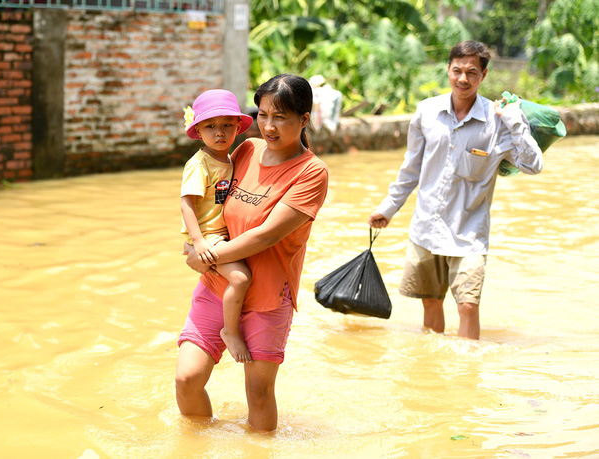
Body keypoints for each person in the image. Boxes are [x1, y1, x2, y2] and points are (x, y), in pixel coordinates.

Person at [175, 74, 329, 431]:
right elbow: (204, 205)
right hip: (219, 285)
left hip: (266, 294)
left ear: (304, 119)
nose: (269, 126)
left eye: (280, 117)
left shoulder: (311, 173)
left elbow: (265, 235)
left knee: (258, 393)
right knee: (187, 379)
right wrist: (193, 244)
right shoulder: (246, 149)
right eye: (262, 115)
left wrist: (209, 255)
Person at [368, 40, 543, 340]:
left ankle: (466, 372)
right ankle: (433, 373)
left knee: (468, 306)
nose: (464, 79)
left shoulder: (497, 122)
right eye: (458, 70)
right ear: (448, 70)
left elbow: (533, 165)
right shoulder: (427, 112)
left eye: (472, 72)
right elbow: (411, 169)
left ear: (483, 76)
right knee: (431, 302)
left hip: (469, 234)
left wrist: (516, 121)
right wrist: (388, 208)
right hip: (426, 229)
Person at [181, 89, 255, 363]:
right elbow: (186, 203)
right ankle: (230, 331)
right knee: (240, 278)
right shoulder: (199, 164)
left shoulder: (229, 159)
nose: (220, 132)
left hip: (220, 235)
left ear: (238, 127)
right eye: (210, 126)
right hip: (209, 237)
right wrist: (198, 242)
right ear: (198, 131)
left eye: (226, 125)